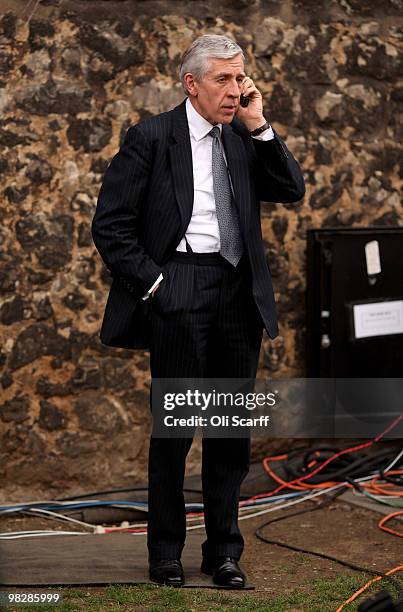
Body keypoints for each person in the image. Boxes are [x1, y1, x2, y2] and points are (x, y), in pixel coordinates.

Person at [91, 34, 305, 588]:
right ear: (192, 83)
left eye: (241, 79)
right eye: (225, 80)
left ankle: (224, 552)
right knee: (176, 432)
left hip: (238, 291)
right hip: (179, 286)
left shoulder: (243, 135)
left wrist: (259, 125)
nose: (236, 90)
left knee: (230, 433)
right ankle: (165, 551)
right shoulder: (152, 137)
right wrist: (159, 284)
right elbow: (111, 226)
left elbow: (290, 188)